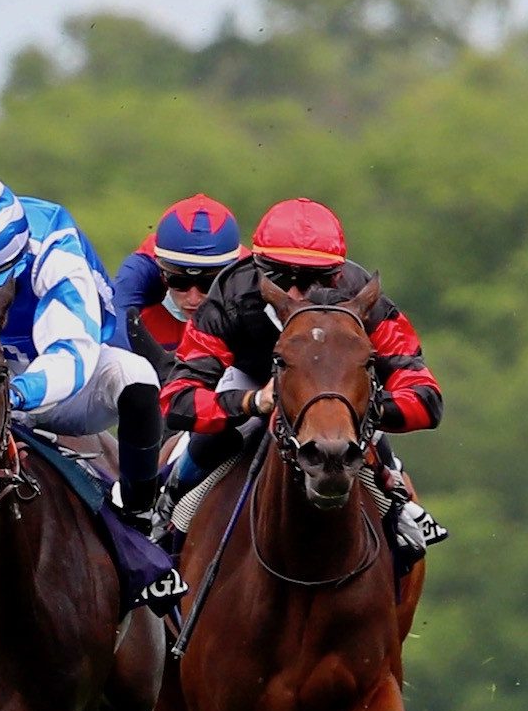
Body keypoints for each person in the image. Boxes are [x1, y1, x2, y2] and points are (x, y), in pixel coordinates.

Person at [158, 197, 446, 560]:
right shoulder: (231, 292)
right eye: (280, 277)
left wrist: (363, 408)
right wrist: (252, 402)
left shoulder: (362, 296)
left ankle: (398, 500)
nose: (297, 293)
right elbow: (178, 399)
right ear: (259, 269)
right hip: (254, 378)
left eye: (315, 280)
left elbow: (426, 398)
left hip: (336, 392)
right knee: (207, 439)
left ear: (337, 276)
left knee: (364, 429)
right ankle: (169, 505)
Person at [0, 176, 162, 528]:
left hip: (64, 386)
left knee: (135, 377)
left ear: (20, 253)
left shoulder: (55, 245)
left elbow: (71, 353)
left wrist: (11, 394)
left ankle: (139, 511)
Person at [110, 194, 244, 379]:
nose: (193, 299)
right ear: (160, 269)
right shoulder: (138, 273)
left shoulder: (248, 275)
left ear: (229, 274)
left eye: (208, 283)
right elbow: (112, 342)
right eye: (179, 281)